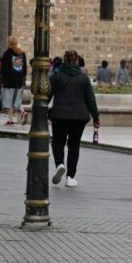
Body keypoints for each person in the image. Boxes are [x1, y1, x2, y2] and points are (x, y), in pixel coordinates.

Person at [49, 50, 101, 188]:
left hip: (59, 114)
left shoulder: (56, 75)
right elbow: (90, 100)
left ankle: (60, 164)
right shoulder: (83, 77)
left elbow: (47, 94)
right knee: (74, 145)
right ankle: (70, 177)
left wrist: (43, 110)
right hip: (79, 116)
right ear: (77, 60)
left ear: (64, 59)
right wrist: (96, 117)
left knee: (57, 142)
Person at [0, 36, 28, 126]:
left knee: (9, 102)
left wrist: (2, 78)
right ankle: (23, 112)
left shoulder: (7, 54)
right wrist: (22, 78)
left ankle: (11, 120)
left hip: (9, 82)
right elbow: (24, 69)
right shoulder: (21, 53)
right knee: (17, 100)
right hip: (18, 81)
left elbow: (3, 69)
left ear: (9, 43)